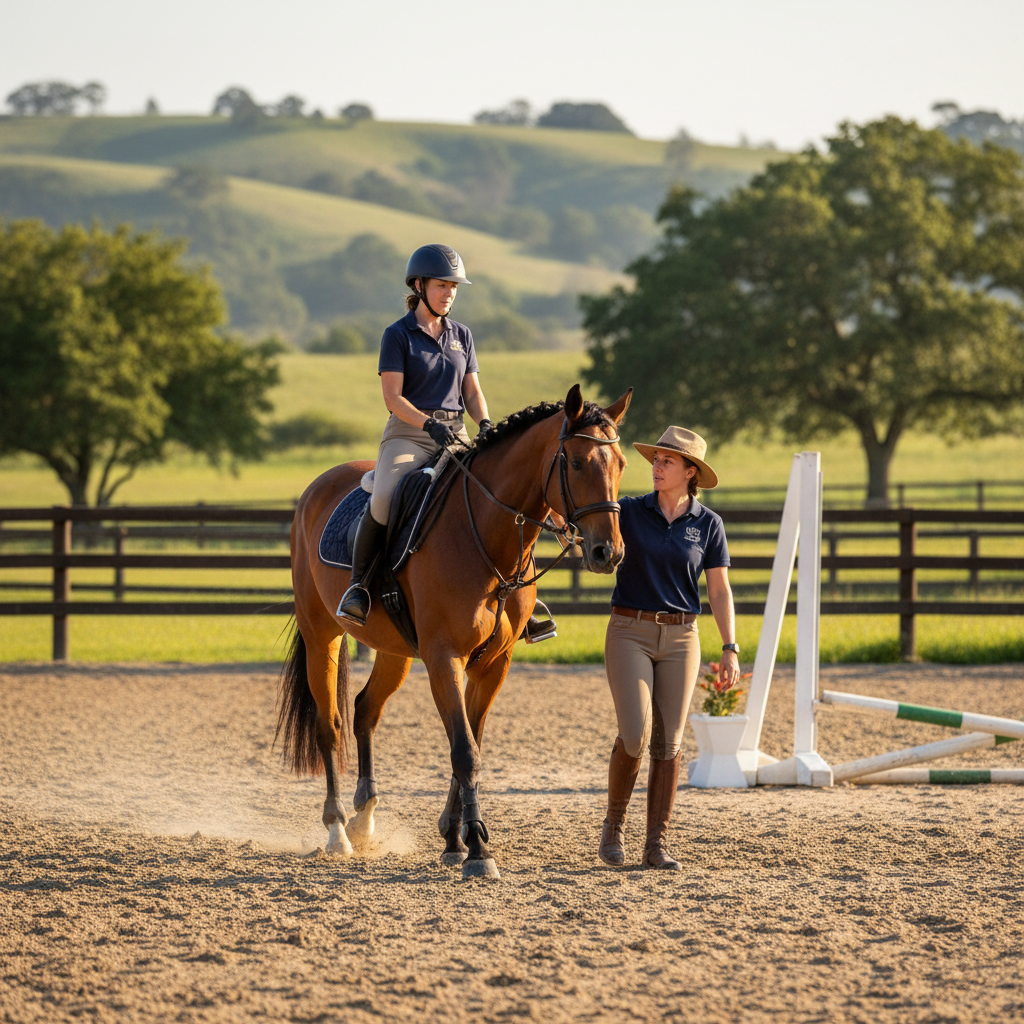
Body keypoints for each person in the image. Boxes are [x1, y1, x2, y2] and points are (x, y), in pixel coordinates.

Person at [336, 243, 557, 643]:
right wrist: (426, 424)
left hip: (457, 434)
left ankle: (523, 596)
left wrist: (485, 422)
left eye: (454, 287)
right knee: (384, 496)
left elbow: (472, 392)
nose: (449, 293)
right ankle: (360, 587)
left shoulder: (462, 335)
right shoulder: (398, 335)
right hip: (408, 434)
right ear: (419, 286)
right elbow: (393, 397)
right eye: (442, 285)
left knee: (502, 497)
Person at [598, 426, 740, 870]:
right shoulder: (628, 510)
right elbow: (588, 530)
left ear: (690, 471)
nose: (656, 467)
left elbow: (719, 591)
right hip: (629, 630)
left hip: (683, 637)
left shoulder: (708, 524)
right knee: (636, 734)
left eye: (667, 461)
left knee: (670, 742)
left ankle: (655, 844)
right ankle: (614, 827)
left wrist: (730, 646)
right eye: (655, 460)